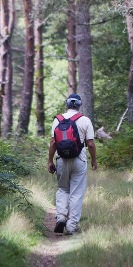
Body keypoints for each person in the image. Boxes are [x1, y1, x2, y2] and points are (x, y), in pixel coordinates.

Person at [48, 93, 97, 235]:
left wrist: (50, 160)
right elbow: (91, 144)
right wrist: (94, 160)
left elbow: (53, 143)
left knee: (63, 189)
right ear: (80, 105)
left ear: (67, 104)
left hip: (61, 159)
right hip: (79, 160)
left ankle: (61, 217)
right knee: (76, 193)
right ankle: (71, 226)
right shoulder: (85, 120)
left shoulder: (58, 120)